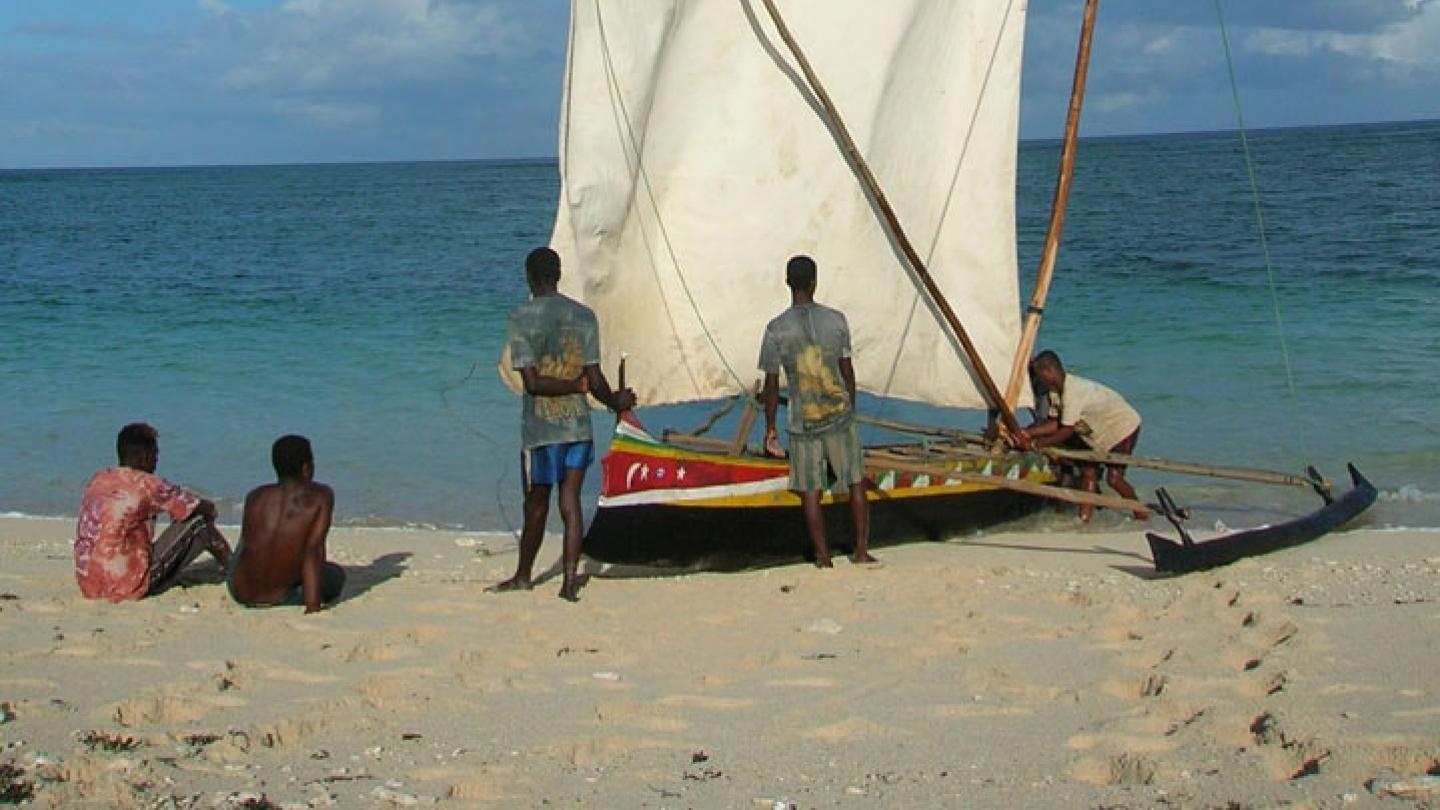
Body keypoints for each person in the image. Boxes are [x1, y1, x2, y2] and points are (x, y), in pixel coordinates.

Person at [491, 246, 635, 602]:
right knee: (570, 502)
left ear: (529, 277)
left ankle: (524, 575)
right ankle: (570, 582)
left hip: (541, 432)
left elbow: (533, 383)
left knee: (537, 504)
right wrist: (615, 400)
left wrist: (573, 386)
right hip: (578, 429)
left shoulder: (521, 317)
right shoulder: (583, 316)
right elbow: (595, 378)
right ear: (558, 275)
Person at [759, 255, 875, 568]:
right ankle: (861, 552)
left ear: (787, 282)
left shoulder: (776, 330)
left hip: (804, 422)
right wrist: (850, 407)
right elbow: (848, 372)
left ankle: (823, 558)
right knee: (855, 482)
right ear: (814, 282)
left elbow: (771, 387)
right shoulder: (837, 321)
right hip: (839, 415)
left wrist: (770, 429)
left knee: (811, 491)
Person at [73, 423, 232, 602]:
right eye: (155, 455)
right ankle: (234, 570)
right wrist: (211, 511)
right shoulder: (147, 483)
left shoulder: (99, 479)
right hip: (126, 584)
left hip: (89, 583)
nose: (156, 461)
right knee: (199, 521)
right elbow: (199, 507)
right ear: (144, 457)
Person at [1015, 350, 1143, 521]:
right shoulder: (1055, 393)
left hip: (1122, 428)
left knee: (1114, 479)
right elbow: (1055, 423)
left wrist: (1036, 445)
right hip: (1097, 432)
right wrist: (1028, 432)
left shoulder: (1072, 392)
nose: (1038, 381)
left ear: (1048, 372)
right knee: (1088, 471)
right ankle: (1084, 518)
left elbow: (1066, 430)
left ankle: (1141, 513)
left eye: (1038, 376)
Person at [229, 435, 343, 613]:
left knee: (247, 541)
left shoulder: (255, 495)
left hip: (239, 591)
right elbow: (312, 551)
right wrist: (312, 605)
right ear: (307, 468)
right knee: (336, 576)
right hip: (281, 597)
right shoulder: (321, 497)